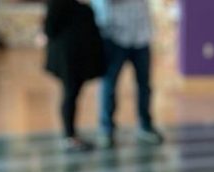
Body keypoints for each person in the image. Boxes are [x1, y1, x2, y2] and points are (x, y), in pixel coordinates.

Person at [92, 0, 163, 147]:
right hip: (114, 35)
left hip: (141, 34)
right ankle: (106, 128)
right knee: (109, 84)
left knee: (144, 85)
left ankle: (145, 125)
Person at [43, 0, 105, 152]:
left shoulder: (81, 8)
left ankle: (71, 134)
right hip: (68, 59)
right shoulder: (60, 5)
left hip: (77, 59)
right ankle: (69, 136)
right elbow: (50, 29)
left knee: (72, 94)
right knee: (70, 95)